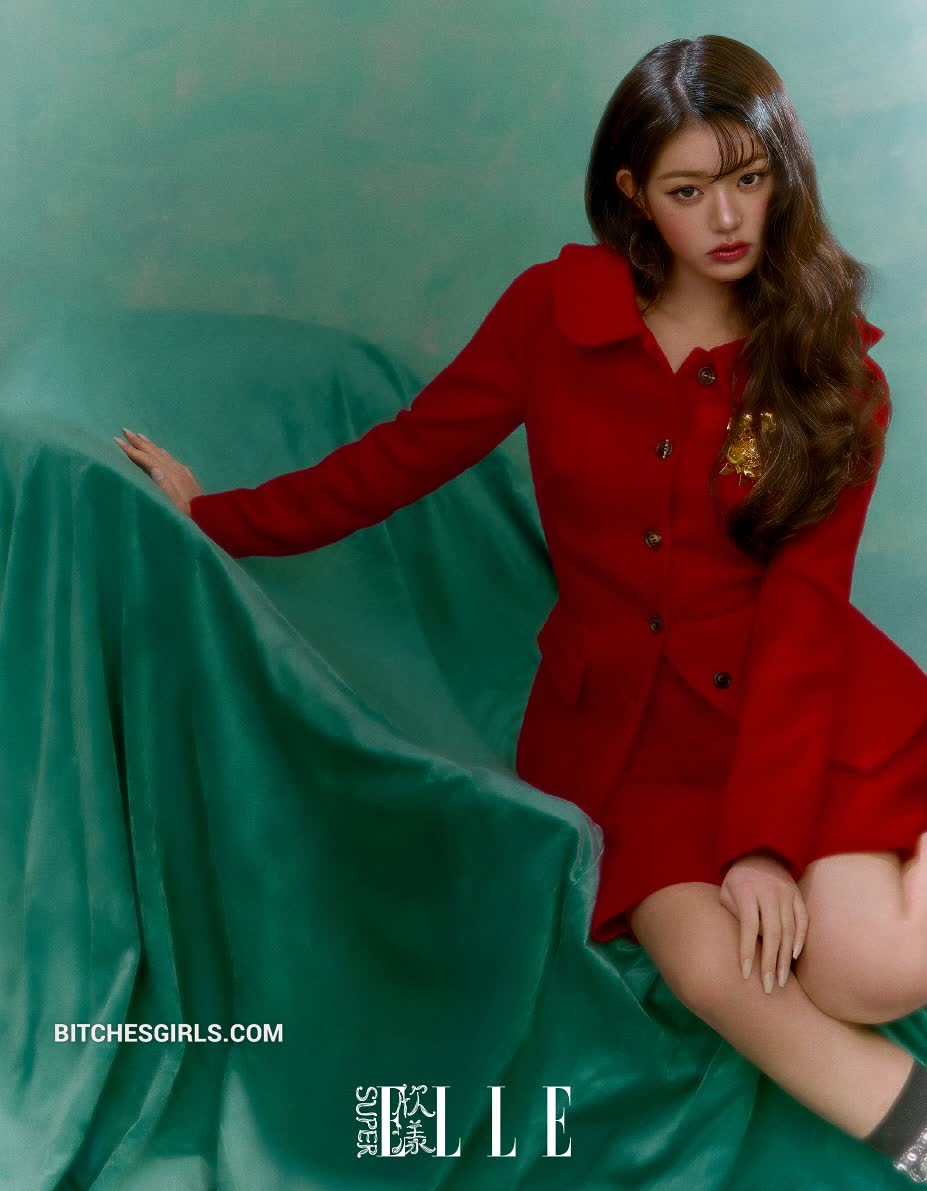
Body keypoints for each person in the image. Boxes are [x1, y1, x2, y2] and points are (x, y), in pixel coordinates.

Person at [113, 33, 927, 1183]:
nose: (726, 218)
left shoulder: (829, 371)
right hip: (629, 741)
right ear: (632, 193)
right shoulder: (553, 313)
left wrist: (760, 846)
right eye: (689, 190)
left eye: (750, 179)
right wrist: (219, 516)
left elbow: (803, 614)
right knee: (716, 974)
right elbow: (404, 455)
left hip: (803, 713)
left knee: (861, 970)